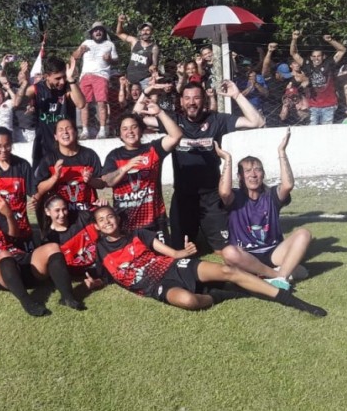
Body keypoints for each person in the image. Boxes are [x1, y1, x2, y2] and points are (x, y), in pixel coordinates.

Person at [90, 206, 326, 316]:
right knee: (189, 301)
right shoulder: (100, 251)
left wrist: (182, 252)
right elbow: (103, 277)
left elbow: (171, 254)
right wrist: (94, 284)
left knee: (226, 271)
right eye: (102, 219)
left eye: (110, 216)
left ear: (117, 219)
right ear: (97, 227)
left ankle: (291, 300)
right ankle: (225, 294)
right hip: (155, 286)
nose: (108, 221)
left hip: (172, 267)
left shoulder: (138, 235)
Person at [135, 81, 265, 252]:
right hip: (183, 197)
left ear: (203, 100)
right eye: (187, 98)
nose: (192, 102)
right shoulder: (172, 120)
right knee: (180, 249)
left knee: (223, 250)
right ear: (181, 101)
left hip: (212, 197)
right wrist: (146, 92)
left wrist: (236, 95)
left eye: (196, 97)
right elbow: (135, 119)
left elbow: (256, 121)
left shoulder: (217, 120)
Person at [0, 191, 84, 316]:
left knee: (53, 247)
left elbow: (14, 235)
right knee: (4, 254)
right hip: (0, 275)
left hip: (22, 262)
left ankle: (68, 297)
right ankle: (28, 303)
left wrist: (8, 214)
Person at [216, 129, 310, 290]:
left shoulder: (271, 196)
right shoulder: (235, 197)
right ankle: (278, 275)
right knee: (229, 252)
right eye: (247, 171)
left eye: (258, 170)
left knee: (304, 234)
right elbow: (224, 191)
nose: (253, 175)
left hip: (274, 253)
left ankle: (270, 276)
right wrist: (228, 159)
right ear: (240, 177)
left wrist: (281, 151)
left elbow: (288, 185)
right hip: (246, 256)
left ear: (263, 174)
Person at [100, 103, 183, 241]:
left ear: (141, 129)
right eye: (125, 129)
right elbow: (107, 181)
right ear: (119, 133)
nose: (130, 132)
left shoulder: (153, 149)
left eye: (134, 127)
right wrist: (125, 168)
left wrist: (160, 113)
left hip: (154, 221)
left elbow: (176, 135)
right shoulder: (114, 156)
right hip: (126, 221)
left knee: (164, 260)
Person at [33, 118, 105, 226]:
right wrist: (55, 177)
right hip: (61, 217)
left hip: (86, 214)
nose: (65, 132)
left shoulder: (89, 155)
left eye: (68, 128)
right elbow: (39, 189)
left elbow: (101, 184)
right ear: (55, 137)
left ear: (75, 132)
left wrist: (91, 180)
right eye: (60, 129)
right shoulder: (49, 159)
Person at [21, 56, 86, 161]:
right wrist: (24, 83)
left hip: (66, 146)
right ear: (47, 76)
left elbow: (81, 104)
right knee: (41, 177)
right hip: (43, 147)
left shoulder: (68, 88)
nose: (62, 81)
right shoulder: (36, 89)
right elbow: (17, 103)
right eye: (58, 78)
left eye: (64, 77)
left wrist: (71, 80)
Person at [290, 30, 347, 125]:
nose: (316, 58)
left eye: (319, 56)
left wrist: (330, 40)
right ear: (311, 57)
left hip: (329, 105)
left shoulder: (329, 63)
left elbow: (342, 50)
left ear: (323, 57)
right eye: (314, 56)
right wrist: (294, 39)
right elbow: (294, 53)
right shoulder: (307, 65)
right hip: (313, 106)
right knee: (312, 131)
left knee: (326, 131)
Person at [73, 21, 119, 139]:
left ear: (103, 32)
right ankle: (85, 131)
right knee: (84, 104)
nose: (98, 32)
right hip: (85, 76)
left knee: (101, 103)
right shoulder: (86, 42)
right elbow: (75, 56)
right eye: (95, 30)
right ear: (92, 33)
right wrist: (80, 51)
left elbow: (116, 60)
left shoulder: (110, 44)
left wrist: (109, 59)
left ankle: (103, 129)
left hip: (101, 75)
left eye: (100, 30)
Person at [116, 15, 159, 90]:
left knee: (145, 100)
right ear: (140, 32)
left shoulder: (154, 47)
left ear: (152, 32)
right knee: (128, 100)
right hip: (130, 79)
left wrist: (153, 66)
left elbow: (155, 64)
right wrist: (120, 22)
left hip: (144, 80)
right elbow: (119, 34)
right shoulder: (134, 41)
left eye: (147, 30)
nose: (145, 32)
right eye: (143, 30)